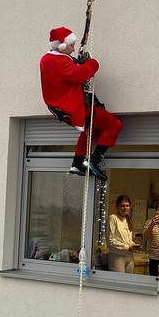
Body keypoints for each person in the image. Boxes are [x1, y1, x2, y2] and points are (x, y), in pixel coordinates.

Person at [39, 25, 122, 180]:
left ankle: (77, 163)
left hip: (63, 110)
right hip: (76, 107)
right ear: (61, 45)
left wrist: (78, 61)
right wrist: (93, 63)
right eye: (71, 45)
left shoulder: (47, 60)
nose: (72, 48)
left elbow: (67, 72)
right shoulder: (59, 61)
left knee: (88, 130)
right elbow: (78, 75)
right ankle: (94, 160)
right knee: (114, 125)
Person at [108, 195, 141, 273]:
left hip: (129, 257)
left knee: (128, 282)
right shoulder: (113, 218)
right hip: (117, 257)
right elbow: (111, 240)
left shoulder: (127, 220)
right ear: (117, 207)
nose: (125, 208)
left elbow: (128, 241)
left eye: (127, 206)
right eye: (122, 206)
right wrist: (127, 247)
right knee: (118, 282)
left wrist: (134, 246)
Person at [143, 199, 159, 277]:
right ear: (156, 210)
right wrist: (152, 225)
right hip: (154, 259)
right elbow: (146, 237)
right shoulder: (149, 222)